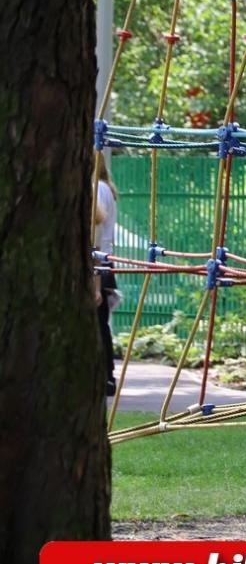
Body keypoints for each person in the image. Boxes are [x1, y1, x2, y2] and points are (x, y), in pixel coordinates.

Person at [93, 150, 120, 396]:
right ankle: (105, 375)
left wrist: (97, 280)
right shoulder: (105, 187)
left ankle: (105, 376)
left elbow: (98, 235)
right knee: (101, 323)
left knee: (99, 323)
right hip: (102, 262)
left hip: (98, 262)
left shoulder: (97, 189)